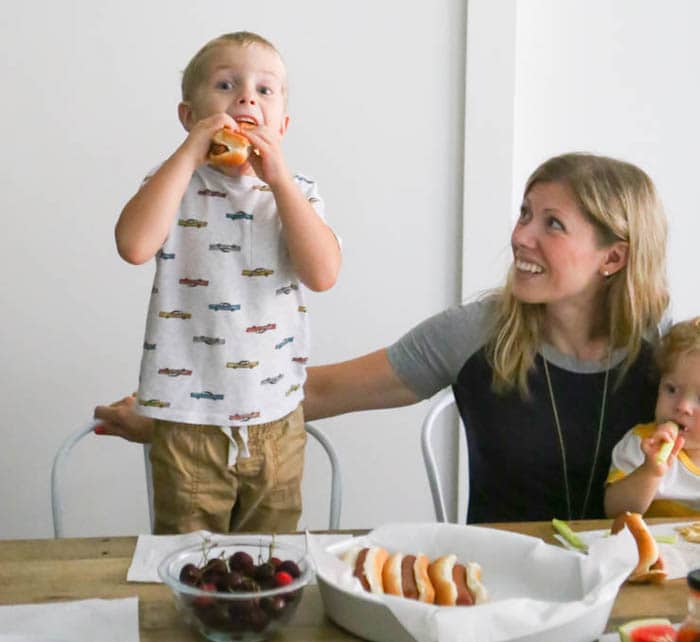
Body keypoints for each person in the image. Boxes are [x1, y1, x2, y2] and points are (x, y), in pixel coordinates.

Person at [99, 152, 667, 524]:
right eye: (525, 214)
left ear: (613, 257)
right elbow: (316, 392)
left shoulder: (669, 356)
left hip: (637, 587)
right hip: (499, 582)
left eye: (553, 224)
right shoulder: (475, 332)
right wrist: (177, 416)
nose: (521, 236)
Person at [115, 31, 341, 535]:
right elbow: (133, 245)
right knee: (189, 561)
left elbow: (323, 274)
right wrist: (188, 155)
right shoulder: (171, 184)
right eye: (226, 85)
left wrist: (279, 182)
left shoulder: (297, 193)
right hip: (188, 420)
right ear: (188, 116)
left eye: (265, 90)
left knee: (272, 557)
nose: (246, 98)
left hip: (279, 420)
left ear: (281, 124)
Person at [605, 317, 700, 519]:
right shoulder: (644, 444)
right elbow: (614, 511)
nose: (682, 406)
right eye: (671, 389)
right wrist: (649, 472)